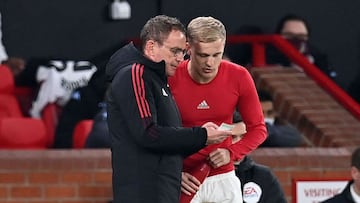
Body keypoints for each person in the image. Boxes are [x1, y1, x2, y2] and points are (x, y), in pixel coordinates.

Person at [106, 15, 232, 203]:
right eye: (175, 51)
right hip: (144, 193)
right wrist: (200, 135)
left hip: (163, 192)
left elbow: (166, 144)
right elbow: (148, 134)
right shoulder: (136, 74)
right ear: (151, 47)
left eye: (183, 52)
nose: (180, 59)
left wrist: (203, 137)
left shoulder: (159, 80)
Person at [168, 16, 267, 203]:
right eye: (203, 55)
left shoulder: (239, 76)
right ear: (188, 48)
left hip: (223, 177)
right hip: (181, 178)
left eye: (217, 55)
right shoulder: (170, 77)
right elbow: (152, 134)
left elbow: (258, 129)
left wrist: (232, 153)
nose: (210, 63)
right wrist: (171, 172)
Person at [266, 14, 337, 81]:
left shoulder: (318, 60)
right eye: (289, 35)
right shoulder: (266, 58)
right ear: (278, 35)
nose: (296, 39)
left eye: (301, 36)